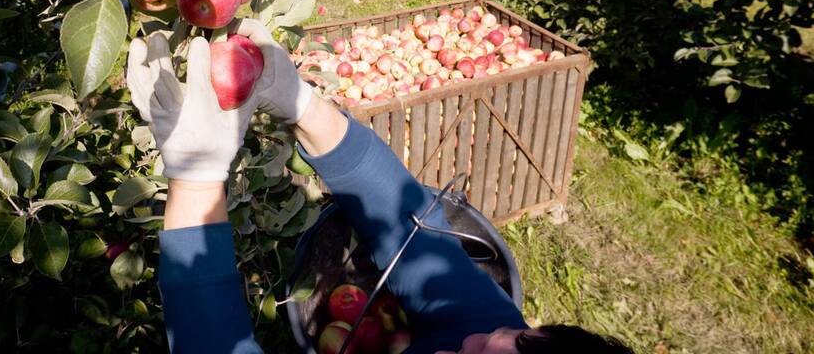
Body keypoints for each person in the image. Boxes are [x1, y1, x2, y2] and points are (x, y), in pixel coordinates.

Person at [127, 19, 633, 354]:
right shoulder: (484, 328)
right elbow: (405, 220)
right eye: (527, 338)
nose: (495, 337)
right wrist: (302, 104)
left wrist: (195, 178)